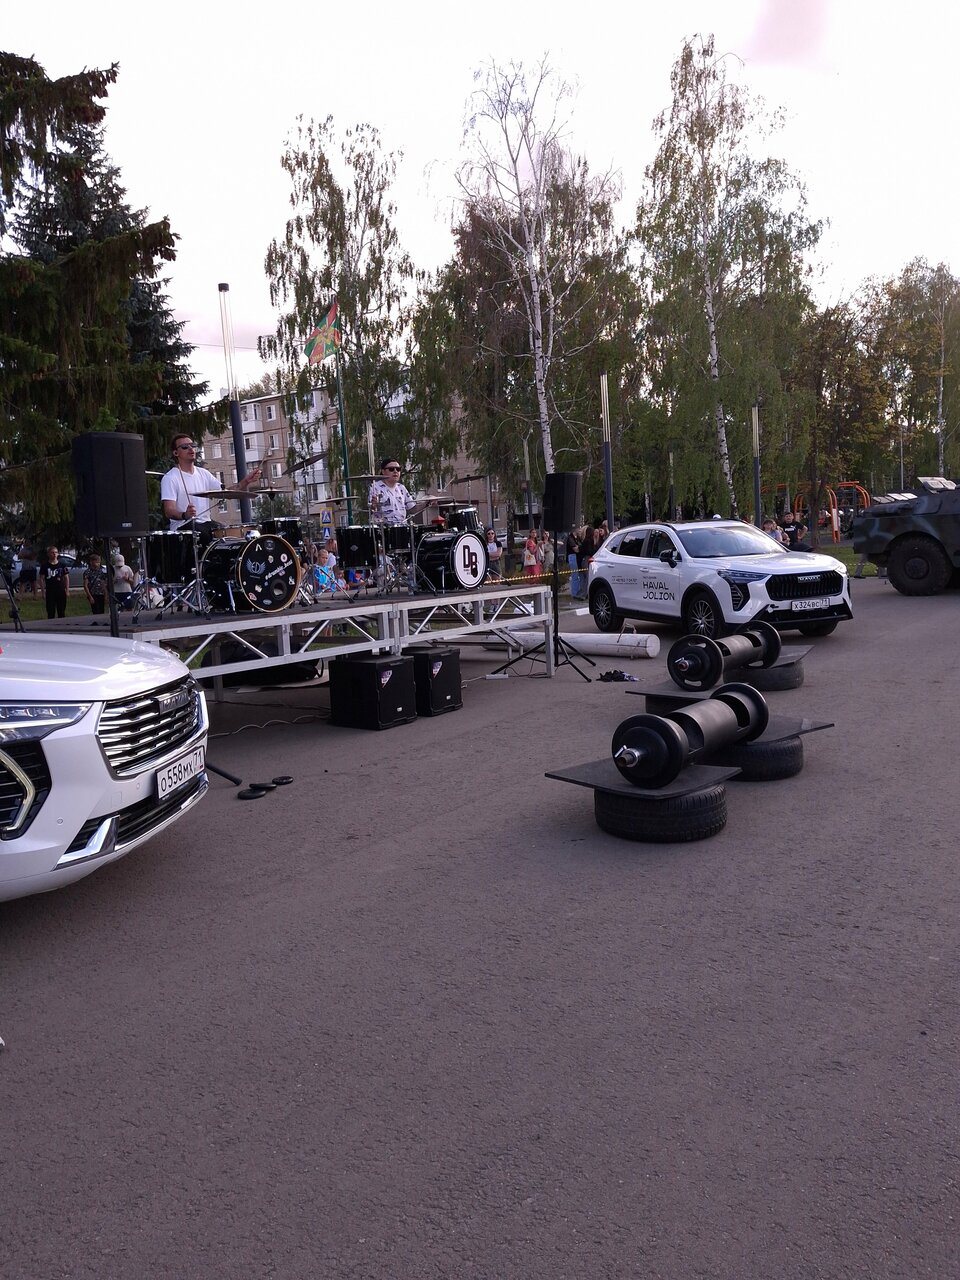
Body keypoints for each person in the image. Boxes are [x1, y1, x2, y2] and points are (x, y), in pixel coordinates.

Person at [160, 433, 261, 530]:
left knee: (227, 534)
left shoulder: (203, 473)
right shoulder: (170, 478)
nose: (191, 449)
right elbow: (169, 511)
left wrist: (246, 481)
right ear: (176, 453)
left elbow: (226, 493)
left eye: (192, 445)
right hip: (183, 527)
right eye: (185, 447)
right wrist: (185, 515)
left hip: (206, 523)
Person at [368, 458, 424, 526]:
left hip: (402, 527)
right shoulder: (375, 487)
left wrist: (427, 503)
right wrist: (374, 506)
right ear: (383, 471)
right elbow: (372, 508)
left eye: (398, 469)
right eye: (391, 469)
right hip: (383, 528)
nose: (395, 471)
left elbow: (412, 508)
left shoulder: (401, 487)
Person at [40, 546, 69, 619]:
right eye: (52, 552)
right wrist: (43, 592)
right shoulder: (45, 566)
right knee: (50, 612)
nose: (54, 554)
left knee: (61, 611)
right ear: (48, 554)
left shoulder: (62, 565)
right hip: (50, 591)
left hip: (61, 591)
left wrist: (67, 590)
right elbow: (41, 579)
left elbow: (66, 578)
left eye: (56, 552)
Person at [566, 528, 582, 596]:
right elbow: (576, 549)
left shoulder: (578, 538)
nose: (580, 531)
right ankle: (575, 593)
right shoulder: (570, 538)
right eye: (579, 530)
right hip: (572, 556)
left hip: (577, 557)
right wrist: (578, 547)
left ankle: (578, 591)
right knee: (575, 575)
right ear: (576, 530)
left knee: (578, 575)